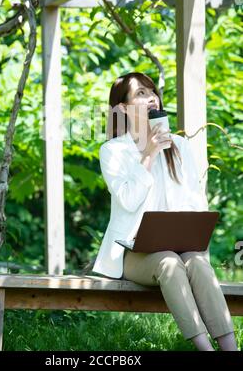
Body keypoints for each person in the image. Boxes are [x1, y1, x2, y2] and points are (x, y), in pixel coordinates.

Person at [92, 72, 238, 352]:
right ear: (122, 108)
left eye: (152, 93)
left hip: (180, 247)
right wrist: (147, 155)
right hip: (133, 254)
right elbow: (127, 200)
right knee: (169, 263)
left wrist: (196, 241)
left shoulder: (180, 146)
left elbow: (196, 204)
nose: (150, 98)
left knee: (198, 263)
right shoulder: (112, 151)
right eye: (141, 94)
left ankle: (231, 349)